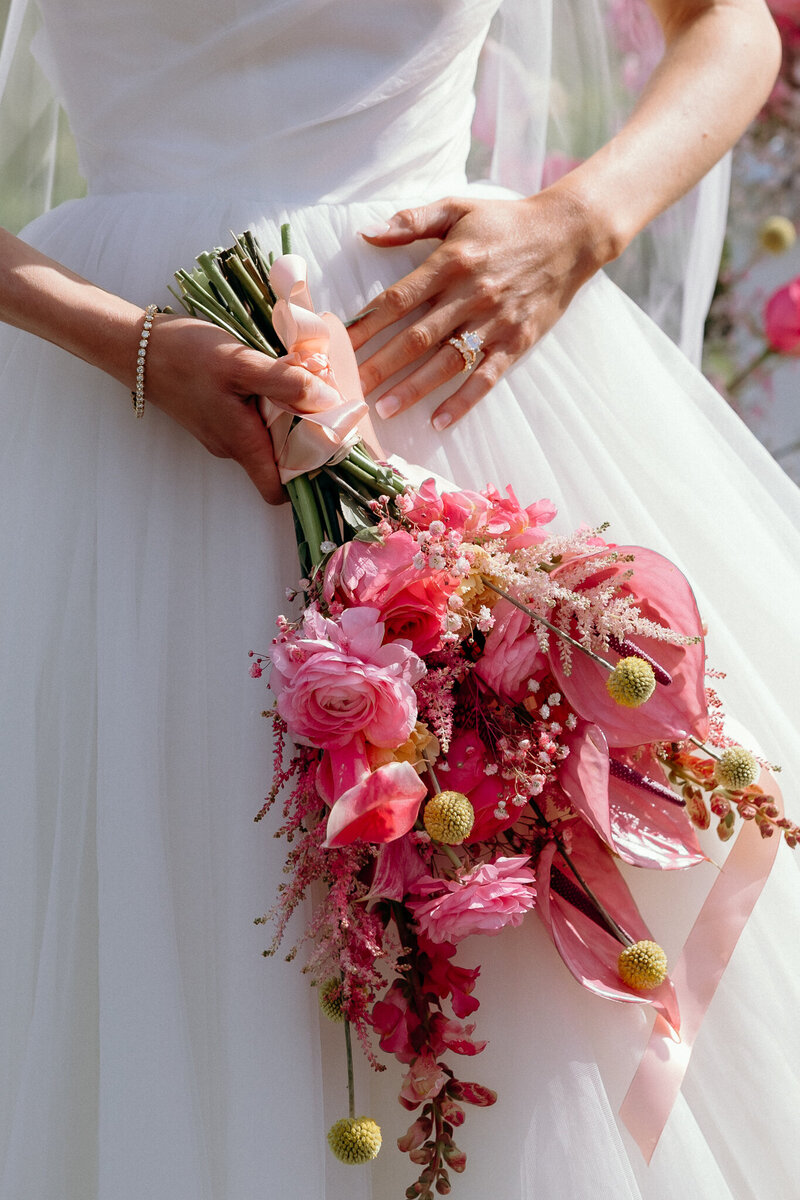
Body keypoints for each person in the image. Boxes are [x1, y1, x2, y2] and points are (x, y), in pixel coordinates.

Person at [1, 1, 799, 1198]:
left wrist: (578, 221)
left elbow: (725, 21)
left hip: (448, 355)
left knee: (521, 962)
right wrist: (125, 340)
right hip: (116, 396)